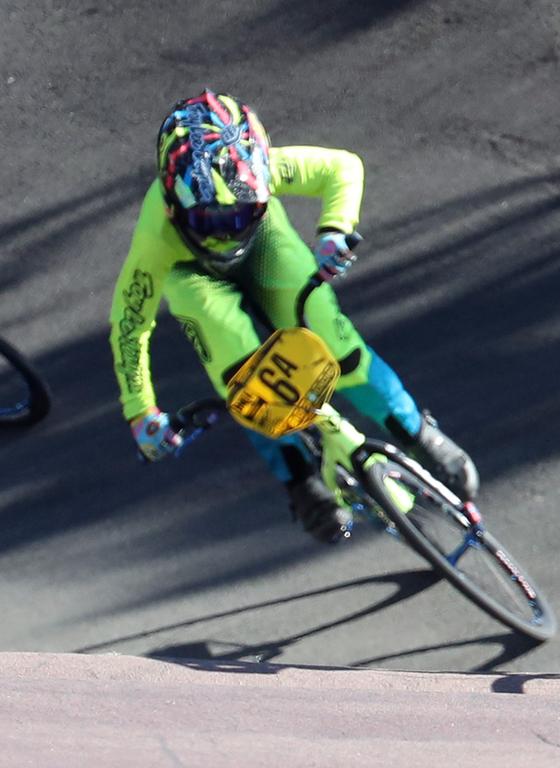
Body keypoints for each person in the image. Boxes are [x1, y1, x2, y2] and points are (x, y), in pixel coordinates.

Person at [109, 89, 478, 543]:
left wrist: (334, 232)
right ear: (171, 204)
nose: (227, 232)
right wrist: (140, 412)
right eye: (208, 220)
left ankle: (416, 431)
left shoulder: (259, 167)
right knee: (244, 379)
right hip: (191, 275)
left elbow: (342, 168)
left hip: (267, 248)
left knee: (335, 343)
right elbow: (130, 324)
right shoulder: (157, 236)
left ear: (262, 181)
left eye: (243, 212)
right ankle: (301, 481)